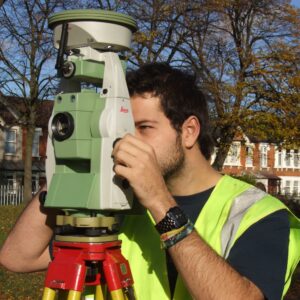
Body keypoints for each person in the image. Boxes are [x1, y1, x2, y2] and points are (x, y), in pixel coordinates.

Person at [0, 62, 299, 300]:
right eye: (124, 129)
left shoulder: (257, 213)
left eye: (144, 128)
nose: (128, 142)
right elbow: (17, 257)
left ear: (189, 131)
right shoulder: (117, 203)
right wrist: (66, 170)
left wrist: (159, 202)